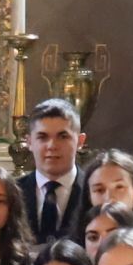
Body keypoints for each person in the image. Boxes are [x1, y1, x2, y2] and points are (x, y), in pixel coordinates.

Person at [17, 98, 87, 244]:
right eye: (42, 137)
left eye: (63, 137)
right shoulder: (14, 192)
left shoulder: (93, 191)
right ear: (29, 142)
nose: (52, 146)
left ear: (80, 142)